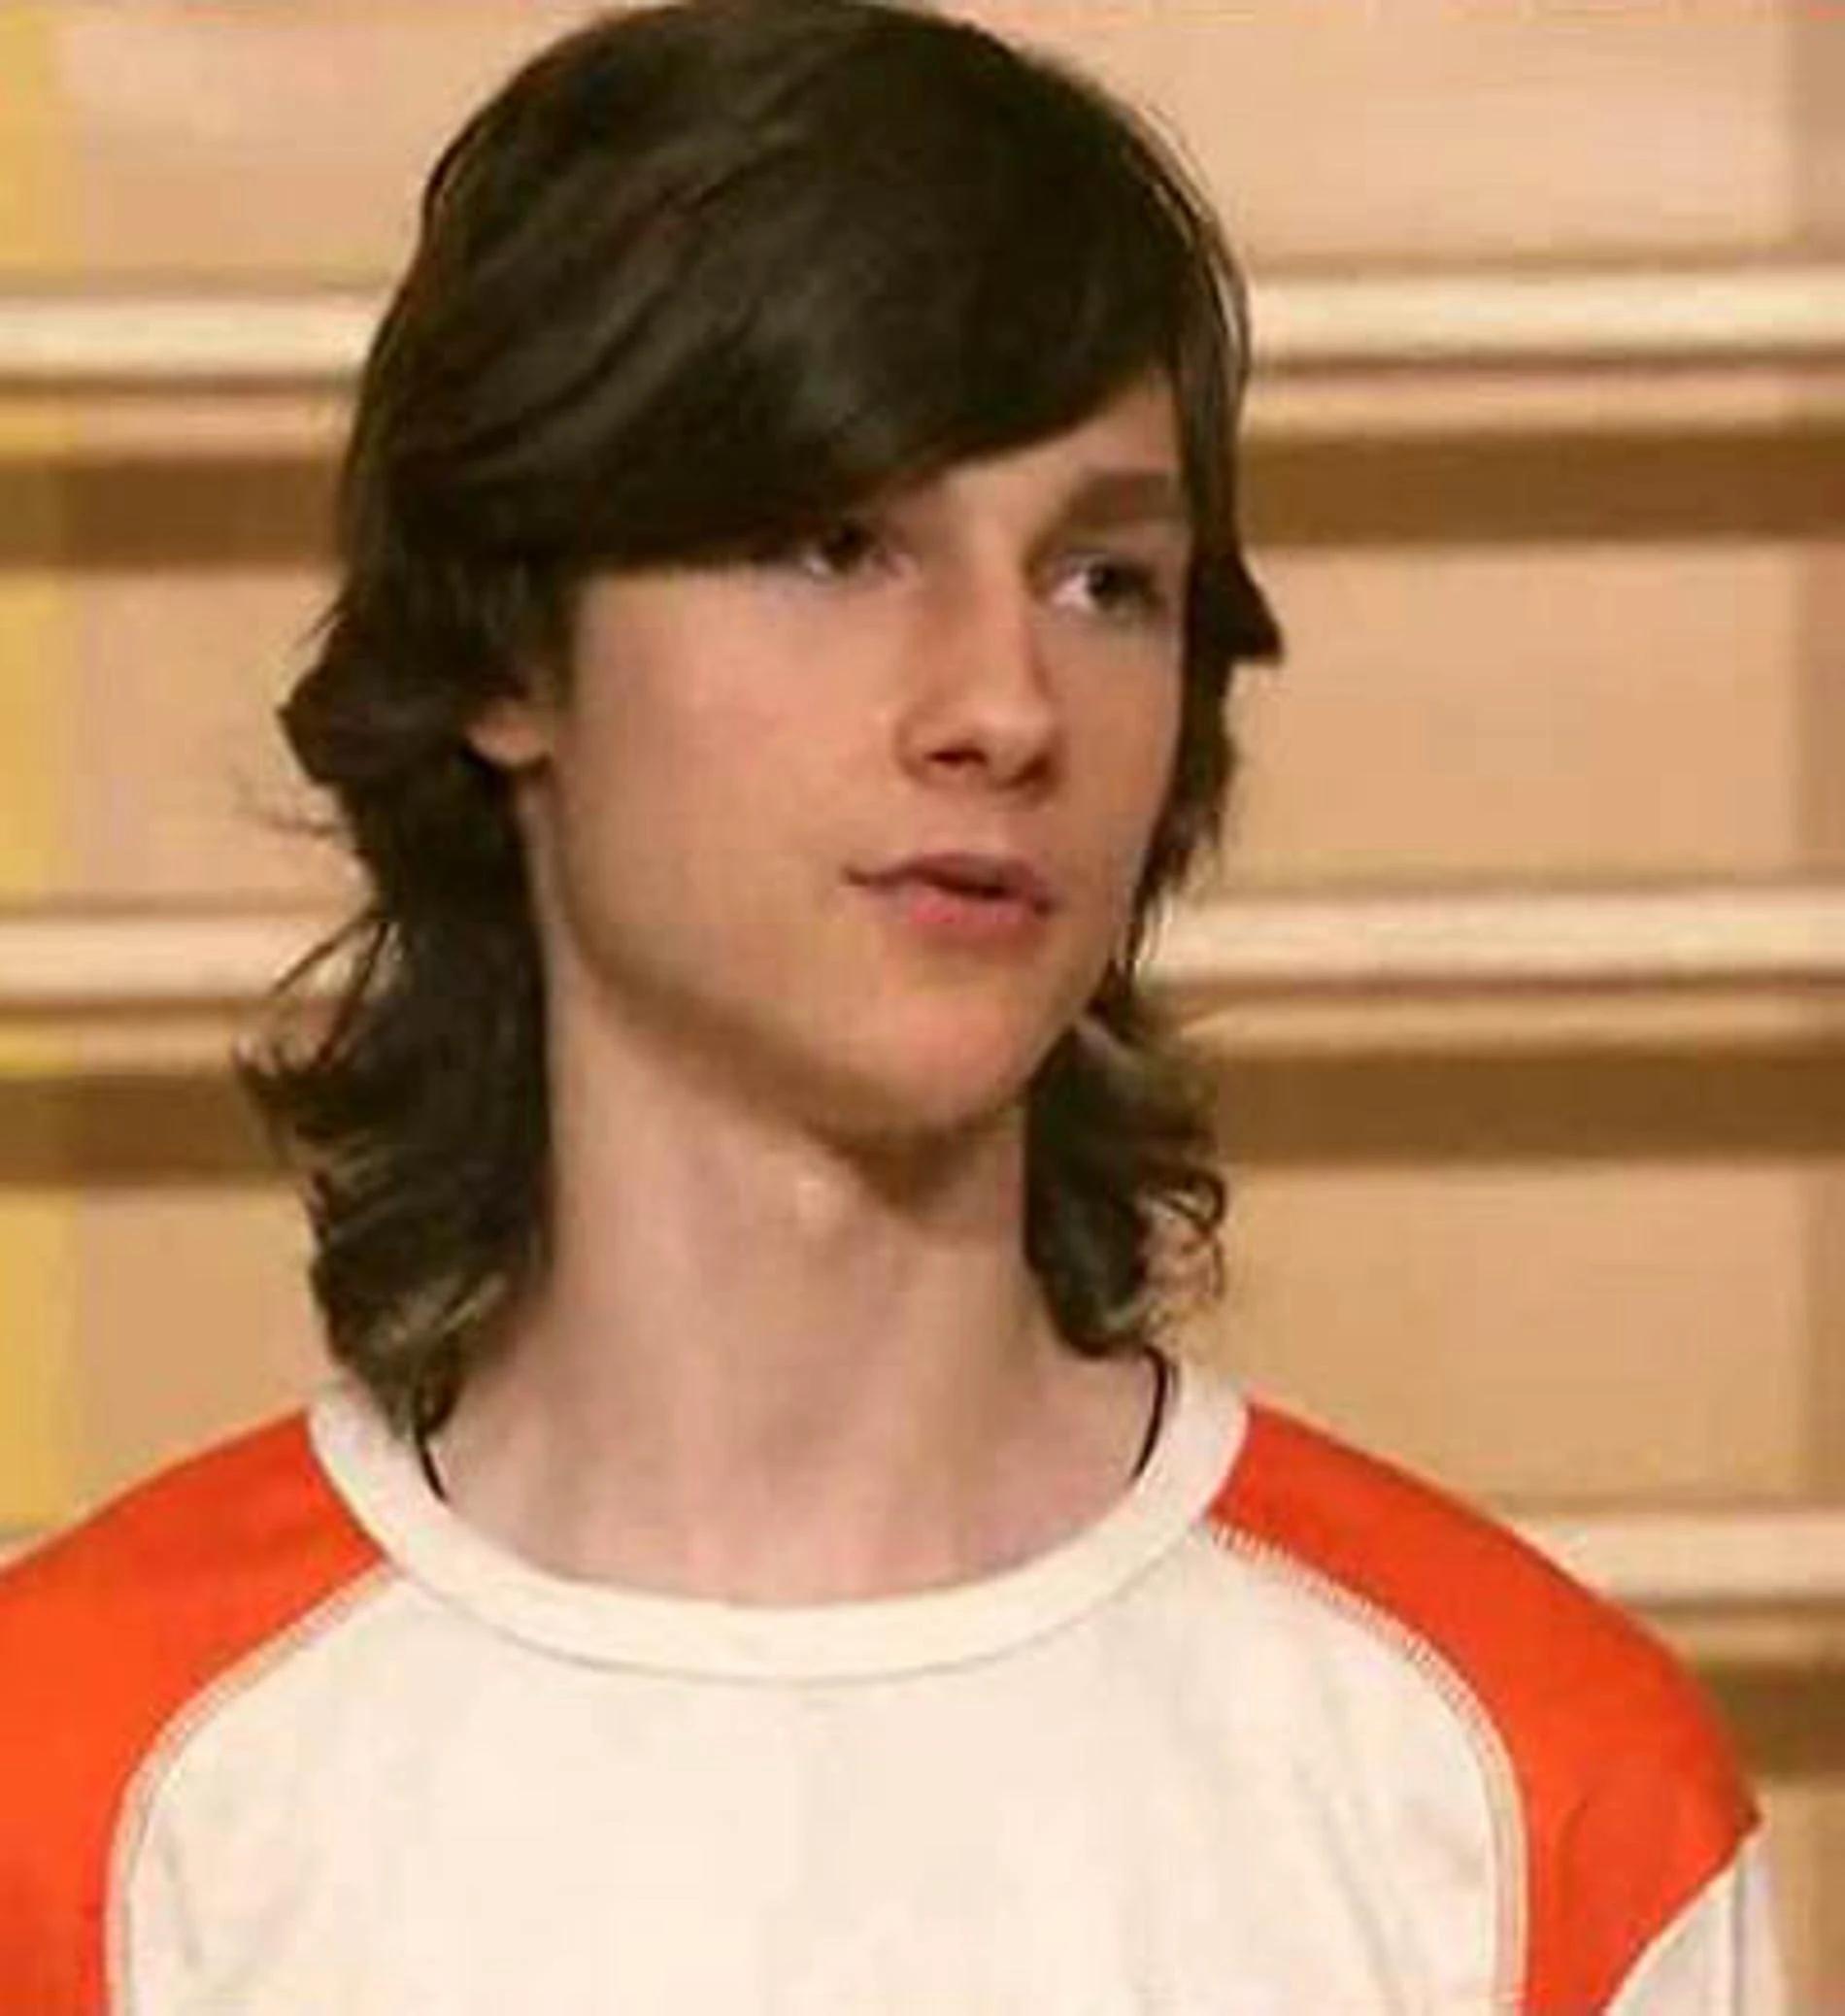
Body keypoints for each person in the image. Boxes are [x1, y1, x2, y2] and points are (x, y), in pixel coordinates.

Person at [0, 2, 1785, 2007]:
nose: (1005, 706)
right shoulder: (68, 1807)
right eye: (837, 547)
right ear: (508, 649)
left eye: (1102, 581)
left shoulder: (1532, 1818)